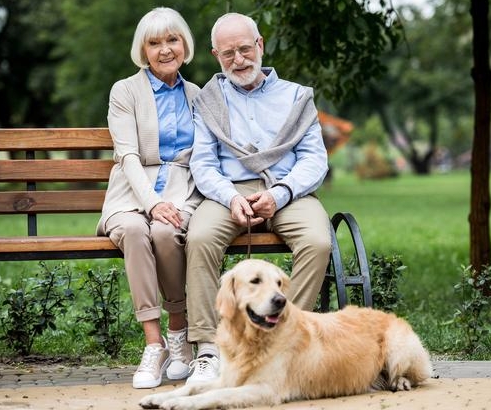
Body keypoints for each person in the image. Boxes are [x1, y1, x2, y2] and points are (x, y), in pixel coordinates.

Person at [184, 12, 332, 383]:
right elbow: (202, 163)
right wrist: (230, 197)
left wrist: (280, 194)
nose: (239, 60)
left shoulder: (296, 97)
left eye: (245, 49)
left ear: (260, 45)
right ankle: (208, 349)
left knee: (317, 241)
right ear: (215, 54)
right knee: (199, 237)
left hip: (287, 190)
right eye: (228, 53)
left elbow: (315, 159)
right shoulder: (208, 100)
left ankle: (286, 338)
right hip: (228, 192)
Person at [96, 7, 202, 389]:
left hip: (182, 193)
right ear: (143, 49)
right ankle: (154, 344)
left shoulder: (197, 95)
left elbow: (204, 157)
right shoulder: (125, 91)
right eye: (154, 43)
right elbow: (126, 154)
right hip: (129, 193)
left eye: (172, 40)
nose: (164, 50)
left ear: (184, 44)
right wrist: (151, 202)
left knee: (163, 232)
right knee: (136, 230)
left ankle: (179, 332)